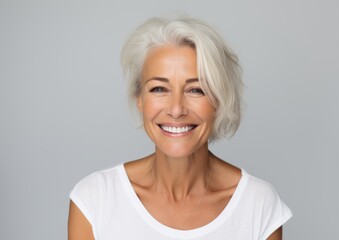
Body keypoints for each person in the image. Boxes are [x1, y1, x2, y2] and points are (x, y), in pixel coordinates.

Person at [68, 15, 292, 240]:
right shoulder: (95, 200)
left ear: (219, 100)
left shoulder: (258, 205)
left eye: (196, 90)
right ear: (140, 100)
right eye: (159, 89)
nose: (176, 110)